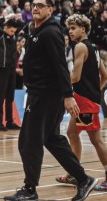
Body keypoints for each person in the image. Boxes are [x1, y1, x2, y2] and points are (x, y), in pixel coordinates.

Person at [5, 0, 97, 201]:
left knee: (29, 141)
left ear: (50, 10)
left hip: (47, 95)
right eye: (33, 5)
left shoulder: (51, 32)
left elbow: (60, 66)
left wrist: (67, 95)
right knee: (51, 139)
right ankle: (83, 180)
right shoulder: (36, 29)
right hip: (40, 94)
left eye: (40, 5)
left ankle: (30, 189)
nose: (35, 8)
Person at [55, 14, 107, 191]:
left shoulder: (79, 47)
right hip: (87, 100)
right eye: (69, 28)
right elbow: (105, 76)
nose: (70, 32)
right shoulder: (94, 48)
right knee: (72, 133)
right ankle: (75, 173)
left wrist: (56, 83)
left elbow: (75, 77)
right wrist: (95, 94)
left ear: (83, 29)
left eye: (73, 28)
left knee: (96, 140)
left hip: (84, 101)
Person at [0, 16, 21, 132]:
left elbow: (22, 25)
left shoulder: (13, 37)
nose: (12, 33)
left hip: (11, 69)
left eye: (14, 31)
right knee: (1, 96)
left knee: (10, 97)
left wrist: (16, 18)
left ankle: (10, 121)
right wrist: (5, 17)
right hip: (2, 69)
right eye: (11, 30)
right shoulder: (0, 35)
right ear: (5, 28)